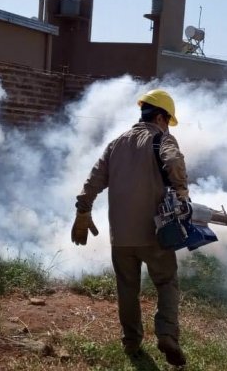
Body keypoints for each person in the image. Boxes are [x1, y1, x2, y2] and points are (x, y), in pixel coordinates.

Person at [71, 89, 189, 366]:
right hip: (156, 234)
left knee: (127, 288)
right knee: (166, 282)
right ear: (161, 117)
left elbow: (93, 180)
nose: (166, 125)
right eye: (167, 120)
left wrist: (83, 211)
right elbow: (173, 162)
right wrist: (182, 193)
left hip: (120, 237)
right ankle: (166, 334)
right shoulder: (162, 139)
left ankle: (132, 342)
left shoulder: (116, 144)